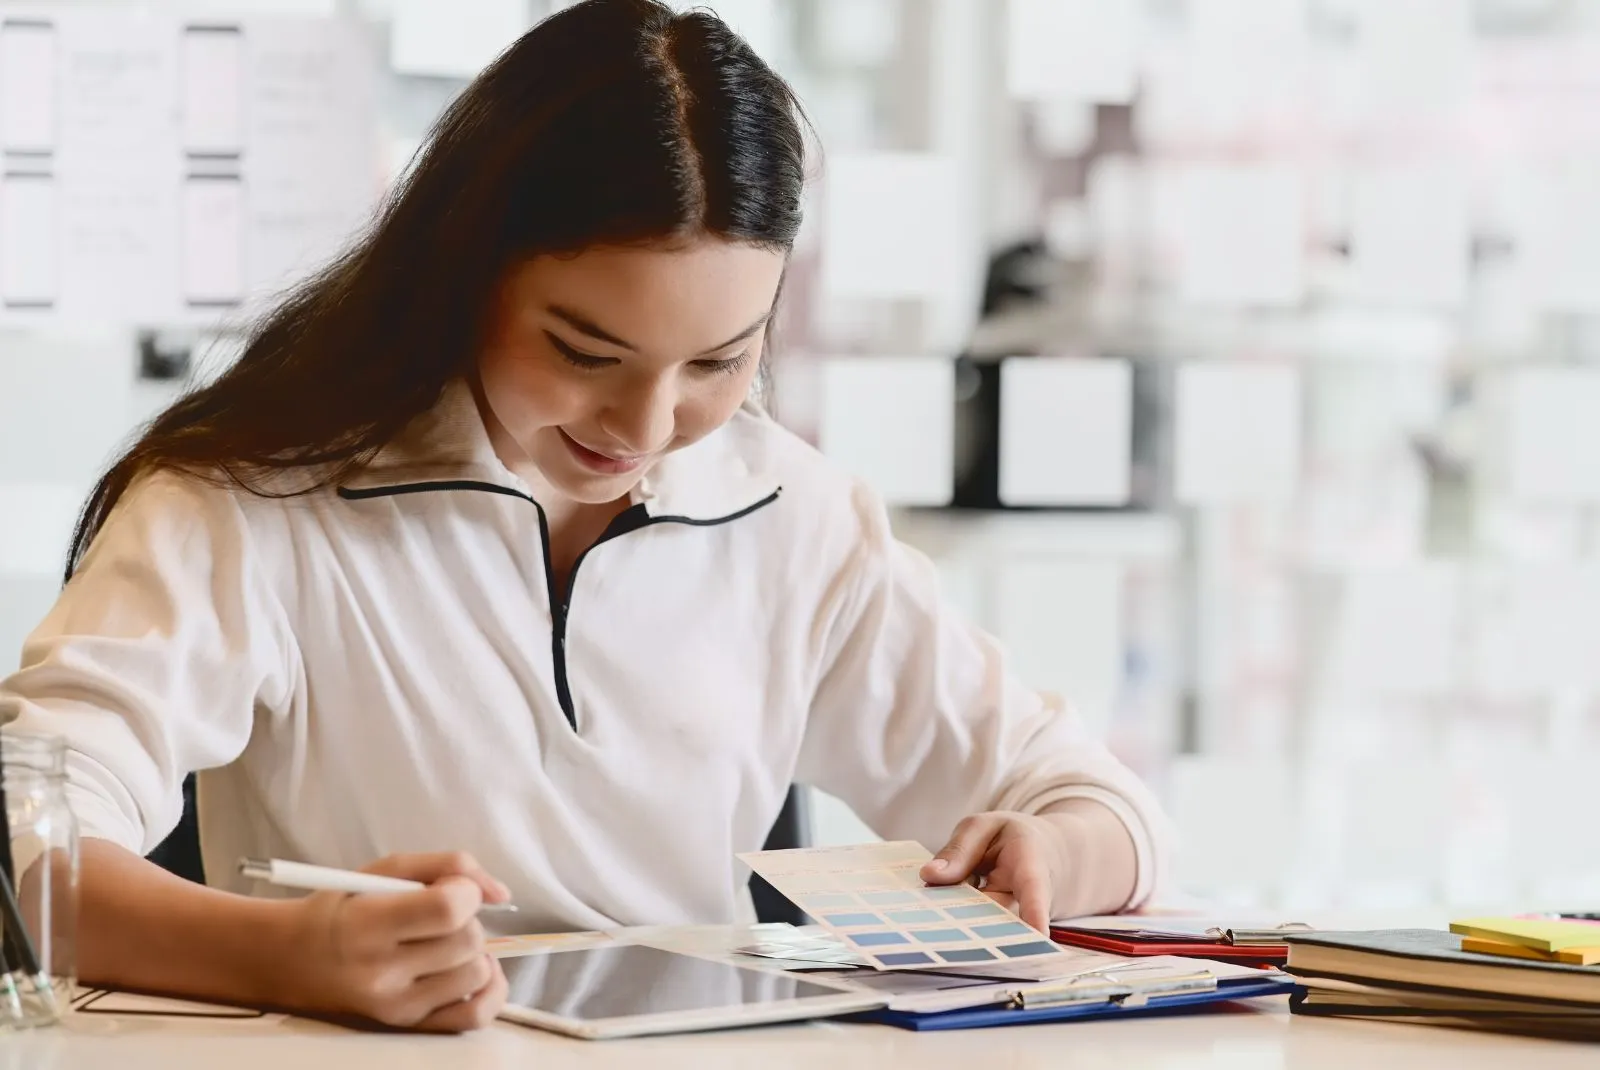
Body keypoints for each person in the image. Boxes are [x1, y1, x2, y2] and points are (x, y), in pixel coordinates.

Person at [0, 0, 1167, 1035]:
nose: (647, 423)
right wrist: (284, 952)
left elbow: (1094, 801)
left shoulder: (793, 516)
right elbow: (22, 841)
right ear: (466, 271)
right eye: (583, 350)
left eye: (718, 359)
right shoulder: (253, 500)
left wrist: (1053, 850)